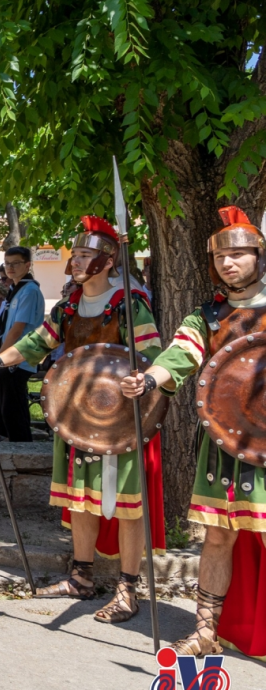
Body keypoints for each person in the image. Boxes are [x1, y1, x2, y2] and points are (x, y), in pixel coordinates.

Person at [0, 215, 166, 623]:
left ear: (107, 260)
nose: (75, 261)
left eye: (85, 255)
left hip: (122, 419)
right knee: (81, 500)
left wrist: (141, 381)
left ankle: (128, 588)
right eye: (75, 254)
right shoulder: (69, 306)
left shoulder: (129, 303)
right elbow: (35, 343)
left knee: (128, 505)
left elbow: (151, 355)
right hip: (78, 414)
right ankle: (81, 577)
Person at [120, 206, 265, 657]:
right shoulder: (209, 315)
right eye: (221, 256)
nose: (228, 262)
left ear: (259, 256)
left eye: (238, 254)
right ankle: (205, 631)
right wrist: (149, 380)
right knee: (218, 535)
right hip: (225, 441)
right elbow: (180, 353)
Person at [0, 246, 43, 442]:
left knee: (14, 407)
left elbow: (17, 329)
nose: (10, 268)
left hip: (19, 356)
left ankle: (21, 446)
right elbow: (5, 328)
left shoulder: (29, 290)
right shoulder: (14, 289)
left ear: (27, 265)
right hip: (9, 354)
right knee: (6, 405)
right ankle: (11, 440)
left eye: (16, 263)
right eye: (7, 264)